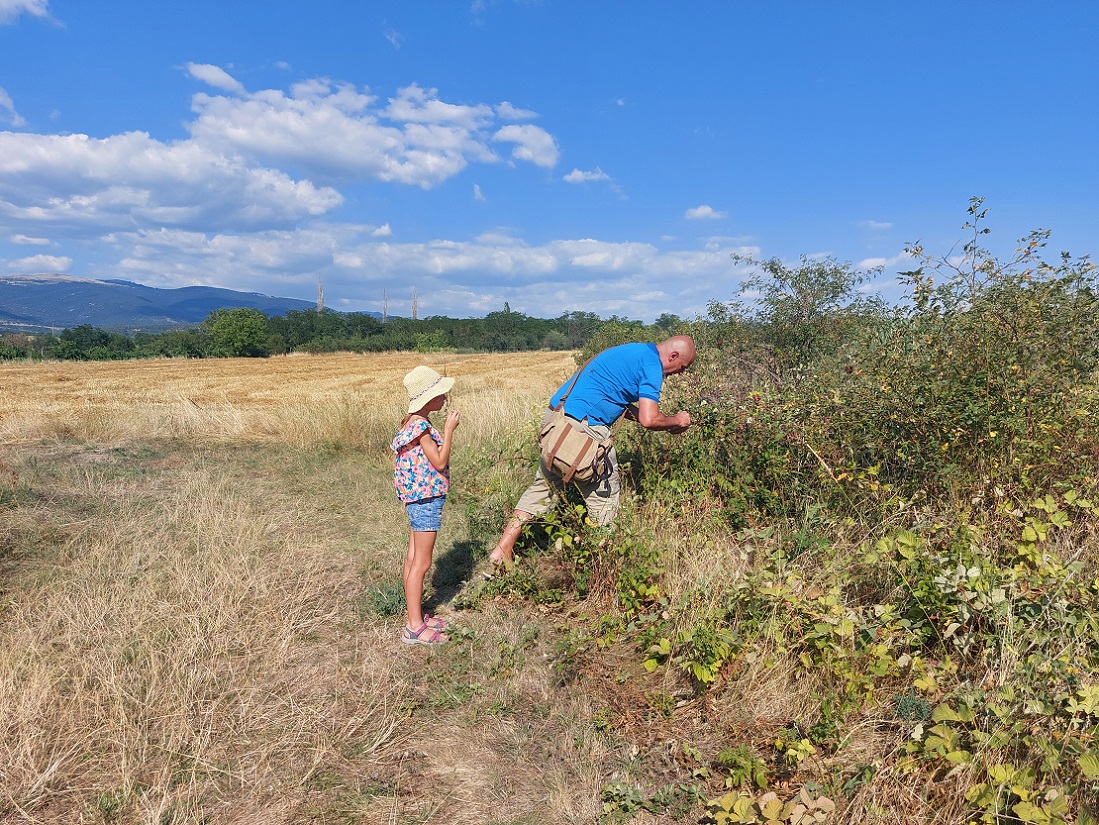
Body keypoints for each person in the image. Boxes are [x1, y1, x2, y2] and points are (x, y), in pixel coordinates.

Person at [486, 335, 696, 573]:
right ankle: (599, 568)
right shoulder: (652, 365)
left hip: (557, 421)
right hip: (583, 432)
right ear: (673, 356)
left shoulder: (632, 351)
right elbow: (649, 419)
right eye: (682, 368)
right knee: (605, 499)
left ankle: (502, 550)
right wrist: (676, 420)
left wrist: (663, 423)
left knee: (543, 488)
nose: (680, 374)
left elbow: (617, 397)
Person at [392, 365, 460, 645]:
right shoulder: (422, 427)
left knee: (412, 559)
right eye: (441, 393)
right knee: (422, 562)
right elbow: (440, 461)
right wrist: (449, 429)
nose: (446, 397)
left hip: (416, 500)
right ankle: (414, 627)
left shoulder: (409, 424)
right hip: (426, 500)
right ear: (428, 399)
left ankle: (415, 614)